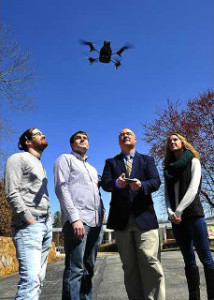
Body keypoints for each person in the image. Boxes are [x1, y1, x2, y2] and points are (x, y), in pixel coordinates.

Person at [101, 128, 165, 300]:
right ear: (119, 141)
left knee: (150, 263)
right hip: (121, 221)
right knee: (129, 267)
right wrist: (116, 183)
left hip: (145, 218)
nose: (125, 135)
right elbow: (105, 183)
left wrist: (142, 186)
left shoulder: (147, 160)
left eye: (129, 133)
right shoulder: (111, 162)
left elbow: (156, 181)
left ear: (135, 139)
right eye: (121, 134)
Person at [54, 130, 104, 300]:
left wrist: (102, 213)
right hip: (78, 221)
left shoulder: (92, 168)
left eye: (85, 138)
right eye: (78, 138)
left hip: (96, 223)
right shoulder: (65, 159)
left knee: (89, 267)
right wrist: (75, 218)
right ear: (72, 144)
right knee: (75, 269)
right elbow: (62, 188)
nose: (83, 140)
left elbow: (96, 193)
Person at [163, 133, 214, 300]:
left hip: (193, 215)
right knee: (188, 260)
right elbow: (167, 194)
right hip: (176, 221)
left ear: (183, 143)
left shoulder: (193, 160)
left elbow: (193, 189)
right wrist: (171, 213)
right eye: (170, 141)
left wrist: (179, 211)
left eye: (175, 139)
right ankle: (194, 297)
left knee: (206, 258)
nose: (172, 142)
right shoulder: (168, 168)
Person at [4, 128, 52, 300]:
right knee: (30, 281)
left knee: (38, 280)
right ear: (27, 141)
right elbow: (11, 192)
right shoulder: (18, 158)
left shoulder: (40, 164)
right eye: (38, 134)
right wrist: (28, 218)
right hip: (29, 226)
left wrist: (49, 220)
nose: (43, 135)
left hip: (45, 224)